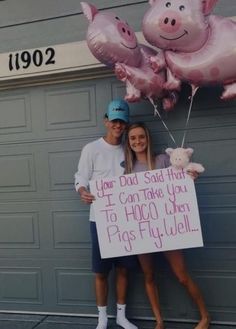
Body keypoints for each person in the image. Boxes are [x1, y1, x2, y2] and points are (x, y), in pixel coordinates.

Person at [124, 122, 210, 329]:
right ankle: (159, 321)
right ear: (128, 142)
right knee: (149, 276)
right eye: (133, 138)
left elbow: (180, 182)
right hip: (142, 231)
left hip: (168, 229)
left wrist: (190, 177)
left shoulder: (162, 160)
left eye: (141, 137)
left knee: (181, 276)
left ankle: (205, 317)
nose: (137, 141)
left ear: (147, 138)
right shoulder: (126, 170)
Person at [74, 99, 138, 329]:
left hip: (126, 219)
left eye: (122, 121)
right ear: (106, 121)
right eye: (114, 120)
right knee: (100, 271)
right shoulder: (92, 149)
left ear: (126, 123)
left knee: (123, 268)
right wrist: (82, 191)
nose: (118, 125)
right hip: (99, 219)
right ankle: (102, 318)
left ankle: (121, 316)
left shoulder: (129, 148)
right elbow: (80, 177)